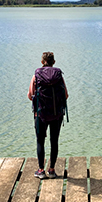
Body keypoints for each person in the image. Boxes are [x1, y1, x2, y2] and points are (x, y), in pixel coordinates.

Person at [28, 51, 68, 179]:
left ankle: (40, 170)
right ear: (53, 62)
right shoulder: (58, 76)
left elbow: (30, 95)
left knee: (40, 141)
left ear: (42, 62)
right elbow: (66, 95)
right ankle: (51, 170)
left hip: (41, 114)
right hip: (57, 114)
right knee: (54, 141)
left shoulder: (36, 76)